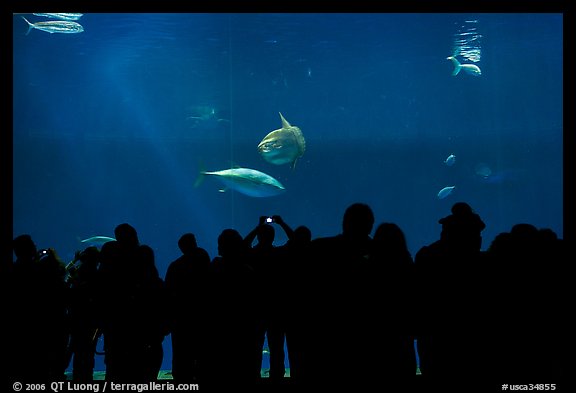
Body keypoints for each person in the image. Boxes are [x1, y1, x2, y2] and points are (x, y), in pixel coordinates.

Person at [414, 202, 488, 387]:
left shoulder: (427, 256)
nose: (479, 239)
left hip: (433, 336)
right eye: (477, 234)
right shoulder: (484, 264)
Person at [8, 235, 69, 381]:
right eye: (33, 244)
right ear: (31, 248)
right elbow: (61, 286)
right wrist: (56, 261)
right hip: (46, 328)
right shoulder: (42, 271)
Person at [165, 233, 211, 382]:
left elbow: (169, 295)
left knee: (181, 356)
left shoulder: (174, 266)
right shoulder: (203, 258)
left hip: (181, 321)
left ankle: (181, 381)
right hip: (201, 318)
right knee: (201, 355)